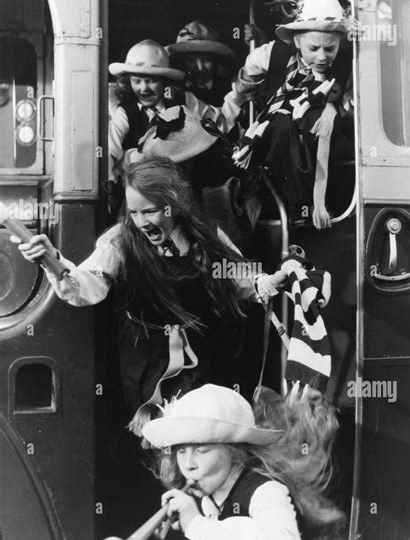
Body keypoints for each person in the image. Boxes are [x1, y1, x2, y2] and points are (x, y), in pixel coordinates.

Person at [11, 157, 288, 434]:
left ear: (174, 204)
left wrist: (269, 280)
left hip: (202, 358)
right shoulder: (121, 242)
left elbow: (239, 277)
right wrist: (53, 263)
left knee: (197, 434)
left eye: (150, 211)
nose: (141, 222)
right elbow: (85, 285)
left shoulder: (206, 238)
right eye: (133, 212)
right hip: (145, 363)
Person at [142, 383, 325, 540]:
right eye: (181, 451)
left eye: (202, 450)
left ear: (235, 452)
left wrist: (197, 524)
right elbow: (232, 533)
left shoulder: (267, 492)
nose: (188, 464)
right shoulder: (211, 495)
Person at [231, 0, 354, 230]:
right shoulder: (272, 54)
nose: (321, 57)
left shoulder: (345, 70)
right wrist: (253, 86)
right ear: (297, 41)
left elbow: (348, 102)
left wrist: (333, 108)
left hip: (320, 143)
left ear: (339, 44)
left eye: (330, 49)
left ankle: (320, 205)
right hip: (279, 143)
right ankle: (298, 207)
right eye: (314, 48)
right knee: (283, 123)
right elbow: (248, 76)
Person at [108, 39, 244, 184]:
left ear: (165, 81)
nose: (143, 88)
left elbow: (218, 124)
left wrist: (236, 97)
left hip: (182, 184)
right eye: (136, 81)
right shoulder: (125, 111)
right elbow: (111, 150)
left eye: (151, 81)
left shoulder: (185, 100)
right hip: (142, 186)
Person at [167, 20, 236, 107]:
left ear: (216, 60)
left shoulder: (231, 88)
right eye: (191, 61)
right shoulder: (175, 93)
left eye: (206, 60)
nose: (200, 68)